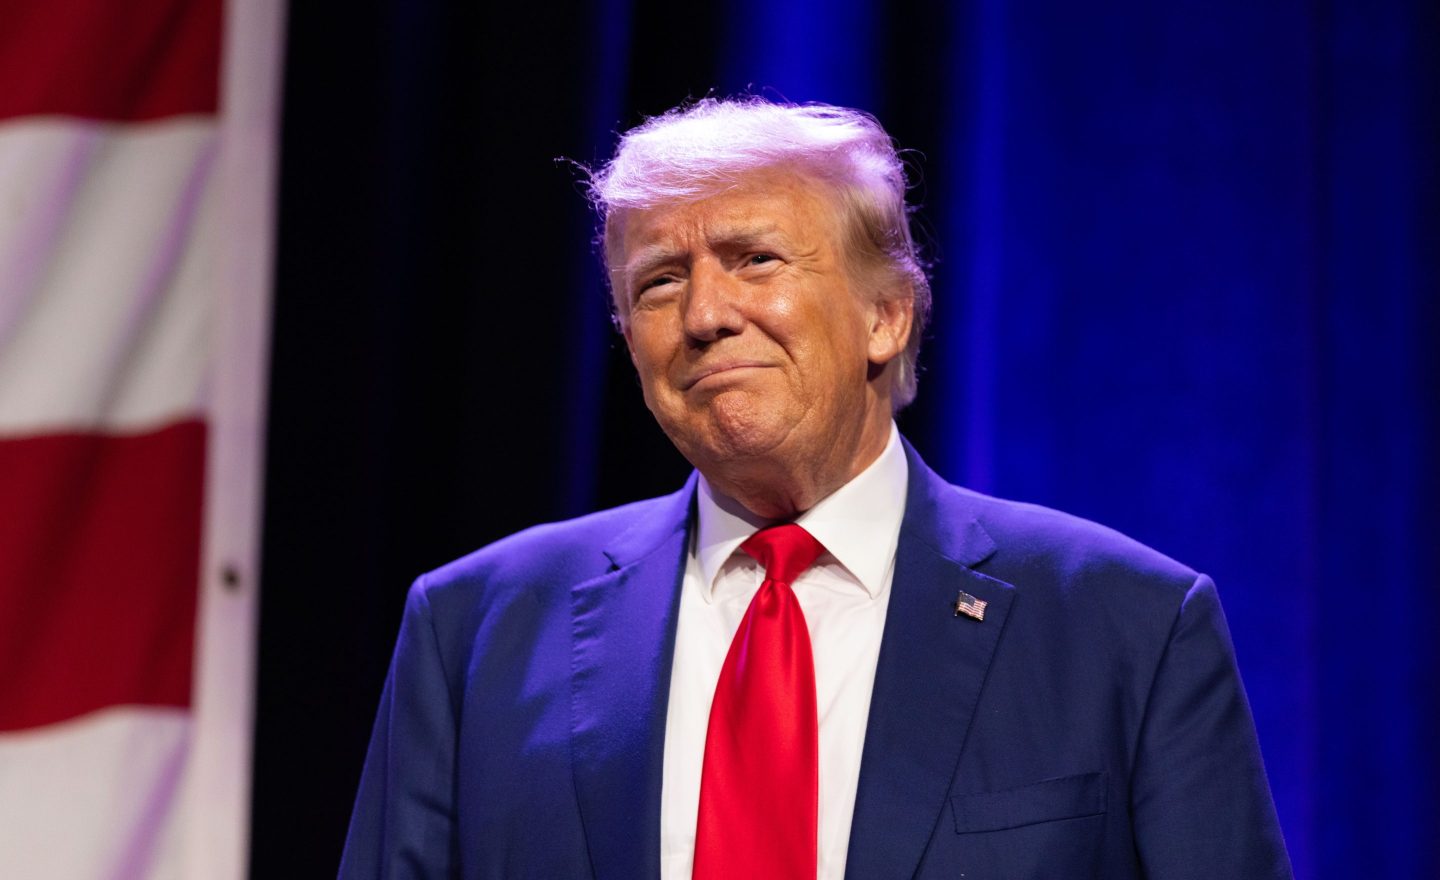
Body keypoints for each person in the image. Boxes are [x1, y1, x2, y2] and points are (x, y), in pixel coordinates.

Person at [339, 97, 1292, 879]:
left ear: (886, 315)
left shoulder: (1126, 625)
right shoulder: (474, 631)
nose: (707, 315)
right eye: (660, 283)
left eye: (755, 259)